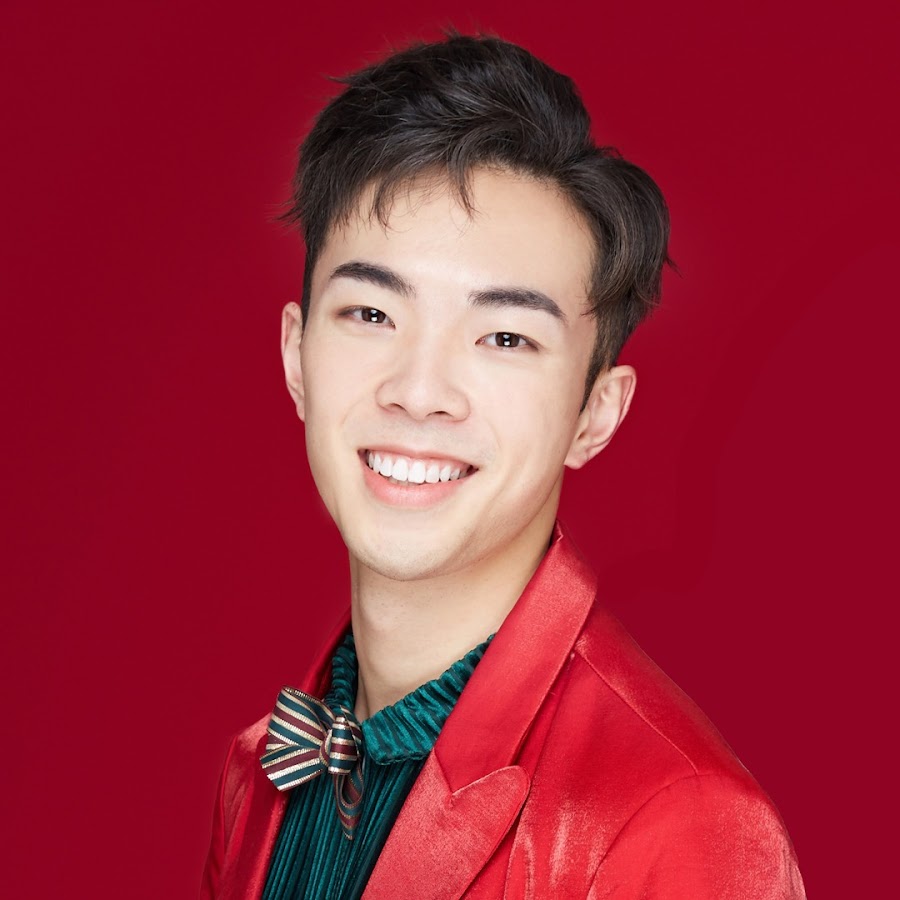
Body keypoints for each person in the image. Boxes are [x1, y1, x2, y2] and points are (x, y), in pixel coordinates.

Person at [202, 33, 806, 899]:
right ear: (297, 357)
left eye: (506, 337)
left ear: (595, 413)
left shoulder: (680, 821)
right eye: (371, 314)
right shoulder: (263, 768)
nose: (419, 392)